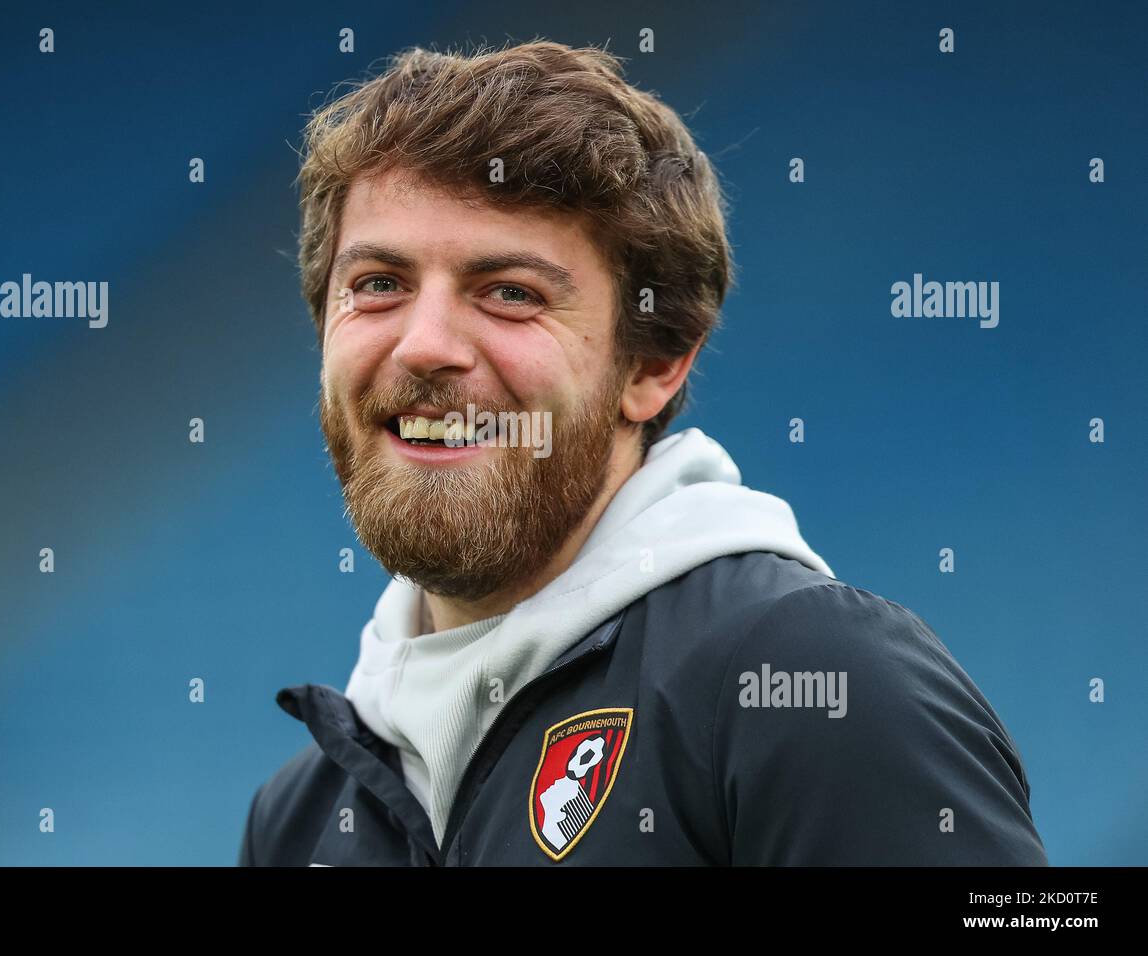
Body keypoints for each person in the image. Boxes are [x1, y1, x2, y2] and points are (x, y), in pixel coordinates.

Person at [238, 40, 1048, 866]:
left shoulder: (818, 686)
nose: (425, 345)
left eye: (510, 293)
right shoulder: (300, 817)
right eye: (379, 283)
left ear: (654, 365)